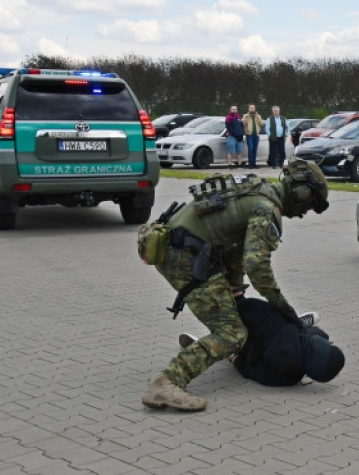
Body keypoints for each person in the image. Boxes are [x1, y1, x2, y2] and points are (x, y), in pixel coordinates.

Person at [141, 158, 330, 411]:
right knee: (232, 333)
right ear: (301, 192)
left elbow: (234, 245)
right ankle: (166, 382)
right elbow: (256, 266)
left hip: (180, 248)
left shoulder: (258, 189)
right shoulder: (267, 209)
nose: (305, 211)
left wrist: (235, 287)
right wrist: (283, 308)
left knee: (231, 317)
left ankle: (224, 348)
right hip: (185, 258)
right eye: (310, 203)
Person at [180, 294, 344, 386]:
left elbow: (250, 306)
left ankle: (214, 346)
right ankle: (217, 347)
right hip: (244, 344)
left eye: (328, 347)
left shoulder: (283, 326)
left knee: (316, 333)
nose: (328, 343)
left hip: (233, 324)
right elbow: (252, 372)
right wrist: (236, 360)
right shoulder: (287, 378)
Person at [242, 104, 265, 169]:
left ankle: (254, 163)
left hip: (256, 135)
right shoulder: (245, 116)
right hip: (249, 135)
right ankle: (250, 163)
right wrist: (248, 116)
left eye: (253, 108)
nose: (252, 109)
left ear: (255, 109)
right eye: (250, 108)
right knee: (250, 149)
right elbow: (244, 123)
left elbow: (262, 124)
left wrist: (258, 117)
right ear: (248, 109)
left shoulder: (258, 116)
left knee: (255, 149)